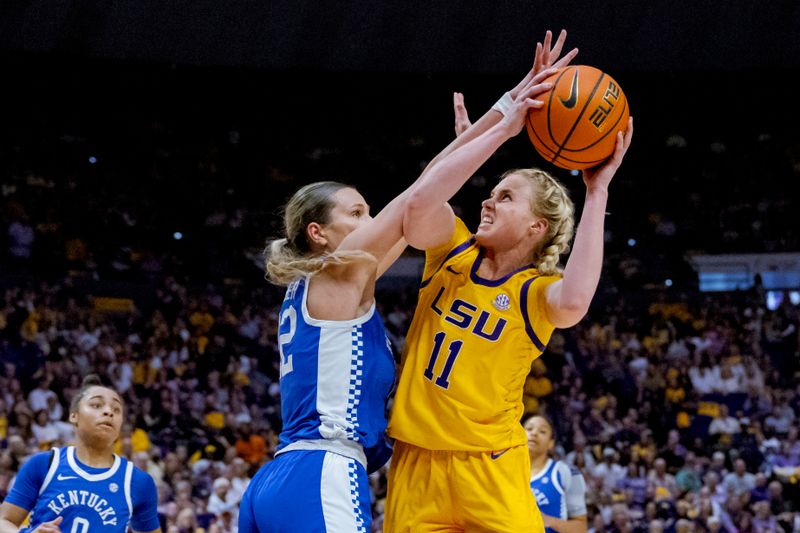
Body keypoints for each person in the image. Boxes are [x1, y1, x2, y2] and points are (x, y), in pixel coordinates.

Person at [384, 29, 633, 531]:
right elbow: (418, 203)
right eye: (491, 193)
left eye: (505, 197)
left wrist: (597, 191)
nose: (487, 201)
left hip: (491, 468)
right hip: (416, 464)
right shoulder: (450, 249)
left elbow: (578, 298)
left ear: (538, 226)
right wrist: (498, 125)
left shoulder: (535, 294)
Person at [237, 157, 418, 529]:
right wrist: (499, 122)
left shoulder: (326, 286)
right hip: (321, 471)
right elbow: (417, 199)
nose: (371, 223)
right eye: (357, 213)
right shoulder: (334, 279)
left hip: (278, 479)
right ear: (318, 233)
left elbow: (420, 208)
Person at [0, 375, 161, 533]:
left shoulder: (138, 481)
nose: (108, 412)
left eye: (116, 409)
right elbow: (3, 522)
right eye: (97, 405)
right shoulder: (43, 464)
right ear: (73, 415)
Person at [525, 415, 588, 533]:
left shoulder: (565, 472)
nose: (534, 433)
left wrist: (547, 521)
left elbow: (581, 528)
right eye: (529, 429)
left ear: (551, 443)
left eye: (542, 431)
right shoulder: (504, 471)